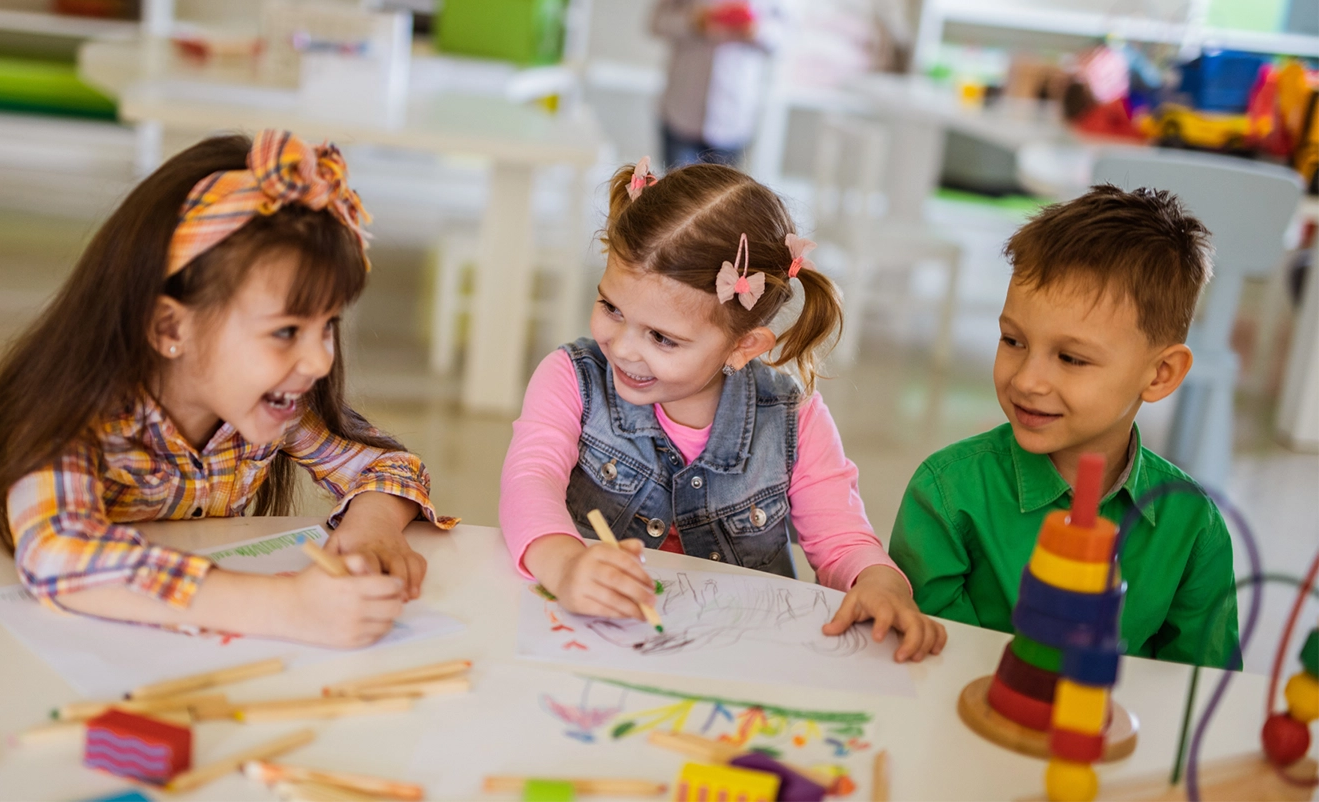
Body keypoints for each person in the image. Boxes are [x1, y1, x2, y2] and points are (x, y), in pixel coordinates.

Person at [0, 130, 454, 648]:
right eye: (286, 331)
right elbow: (60, 551)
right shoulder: (70, 409)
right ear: (170, 329)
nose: (322, 359)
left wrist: (374, 526)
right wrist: (288, 607)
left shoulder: (276, 404)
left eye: (327, 325)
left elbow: (387, 465)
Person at [499, 160, 947, 662]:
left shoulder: (793, 419)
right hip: (590, 644)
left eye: (662, 338)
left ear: (743, 346)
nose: (622, 349)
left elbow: (841, 541)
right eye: (612, 308)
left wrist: (880, 583)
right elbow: (529, 482)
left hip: (738, 660)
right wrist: (564, 565)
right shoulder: (571, 378)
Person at [890, 184, 1240, 668]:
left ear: (1160, 374)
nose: (1028, 380)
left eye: (1071, 358)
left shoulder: (1192, 528)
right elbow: (927, 664)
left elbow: (1197, 691)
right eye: (1012, 340)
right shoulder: (947, 496)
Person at [651, 0, 787, 169]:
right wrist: (694, 21)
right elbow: (657, 21)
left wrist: (756, 30)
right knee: (676, 194)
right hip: (681, 111)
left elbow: (786, 36)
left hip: (734, 117)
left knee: (725, 195)